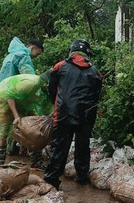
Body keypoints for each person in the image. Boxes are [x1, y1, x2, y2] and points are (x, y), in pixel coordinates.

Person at [42, 39, 103, 190]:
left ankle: (51, 181)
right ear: (87, 54)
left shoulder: (60, 66)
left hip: (64, 113)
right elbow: (97, 95)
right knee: (83, 146)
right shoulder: (95, 72)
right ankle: (81, 178)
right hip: (86, 116)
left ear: (72, 51)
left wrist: (55, 102)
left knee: (60, 146)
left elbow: (51, 87)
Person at [0, 74, 51, 166]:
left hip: (22, 102)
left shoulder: (44, 89)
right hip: (3, 99)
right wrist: (16, 116)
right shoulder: (32, 83)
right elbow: (10, 96)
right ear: (47, 84)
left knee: (35, 128)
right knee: (3, 130)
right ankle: (0, 165)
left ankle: (36, 163)